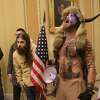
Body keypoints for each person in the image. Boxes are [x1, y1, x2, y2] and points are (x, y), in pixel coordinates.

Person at [53, 6, 96, 100]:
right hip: (61, 84)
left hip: (76, 84)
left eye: (70, 15)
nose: (66, 18)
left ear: (77, 20)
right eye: (65, 16)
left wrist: (89, 89)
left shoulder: (83, 42)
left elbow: (91, 66)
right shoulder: (60, 42)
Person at [13, 32, 36, 100]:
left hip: (37, 80)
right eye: (18, 42)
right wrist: (20, 81)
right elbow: (17, 69)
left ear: (27, 42)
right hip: (27, 83)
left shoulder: (34, 49)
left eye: (22, 42)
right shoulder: (15, 54)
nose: (19, 44)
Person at [7, 28, 26, 100]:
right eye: (17, 35)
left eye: (19, 34)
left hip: (26, 75)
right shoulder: (13, 47)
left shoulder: (28, 46)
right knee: (16, 95)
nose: (18, 36)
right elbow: (10, 60)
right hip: (16, 75)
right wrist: (9, 73)